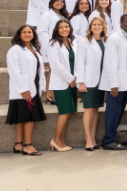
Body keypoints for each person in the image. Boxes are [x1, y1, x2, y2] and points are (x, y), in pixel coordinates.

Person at [6, 25, 47, 155]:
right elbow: (14, 71)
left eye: (30, 32)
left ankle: (18, 144)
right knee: (28, 118)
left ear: (33, 35)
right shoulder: (15, 50)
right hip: (23, 90)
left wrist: (42, 87)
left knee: (23, 117)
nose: (27, 34)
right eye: (24, 32)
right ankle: (28, 145)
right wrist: (23, 89)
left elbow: (40, 71)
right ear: (19, 35)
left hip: (33, 87)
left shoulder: (34, 50)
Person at [102, 14, 127, 150]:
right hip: (116, 85)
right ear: (120, 22)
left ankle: (113, 139)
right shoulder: (114, 38)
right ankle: (109, 140)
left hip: (126, 83)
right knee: (113, 112)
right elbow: (110, 63)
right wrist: (113, 85)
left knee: (119, 112)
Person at [75, 17, 107, 150]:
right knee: (89, 109)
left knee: (96, 109)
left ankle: (93, 138)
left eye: (99, 24)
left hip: (102, 80)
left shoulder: (106, 40)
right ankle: (88, 138)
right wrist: (81, 82)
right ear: (90, 26)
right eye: (94, 24)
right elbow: (79, 62)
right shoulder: (84, 41)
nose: (97, 26)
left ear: (103, 26)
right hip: (88, 80)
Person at [47, 19, 77, 152]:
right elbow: (56, 66)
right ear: (56, 30)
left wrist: (75, 78)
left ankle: (61, 140)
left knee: (69, 111)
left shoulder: (72, 42)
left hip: (72, 81)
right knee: (64, 112)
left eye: (67, 26)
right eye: (61, 27)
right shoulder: (53, 44)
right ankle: (56, 140)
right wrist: (70, 79)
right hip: (62, 83)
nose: (64, 29)